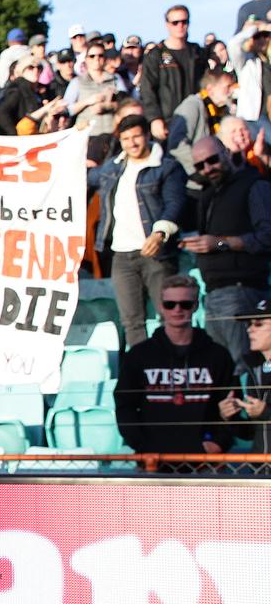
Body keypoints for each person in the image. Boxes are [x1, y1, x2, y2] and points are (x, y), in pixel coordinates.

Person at [86, 116, 187, 346]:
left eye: (136, 137)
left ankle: (170, 371)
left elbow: (176, 203)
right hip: (121, 255)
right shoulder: (112, 168)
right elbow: (83, 177)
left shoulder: (167, 167)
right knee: (131, 321)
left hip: (156, 253)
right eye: (125, 139)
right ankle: (141, 374)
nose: (131, 143)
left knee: (169, 316)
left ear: (147, 135)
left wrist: (160, 233)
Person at [115, 275, 235, 455]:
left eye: (185, 304)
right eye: (170, 304)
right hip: (153, 459)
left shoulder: (217, 355)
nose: (177, 310)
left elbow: (230, 402)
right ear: (161, 307)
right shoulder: (139, 355)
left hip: (205, 459)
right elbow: (125, 406)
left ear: (195, 306)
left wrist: (218, 443)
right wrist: (142, 446)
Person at [180, 137, 271, 364]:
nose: (207, 169)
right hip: (212, 292)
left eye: (212, 160)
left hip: (242, 290)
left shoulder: (254, 185)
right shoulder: (209, 193)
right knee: (222, 371)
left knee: (243, 366)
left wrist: (220, 243)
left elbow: (266, 237)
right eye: (200, 165)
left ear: (227, 153)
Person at [142, 5, 207, 142]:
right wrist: (154, 119)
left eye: (184, 22)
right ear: (167, 25)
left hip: (197, 119)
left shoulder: (197, 53)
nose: (180, 26)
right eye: (175, 22)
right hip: (168, 121)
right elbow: (147, 90)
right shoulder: (155, 55)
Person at [167, 68, 237, 174]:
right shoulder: (192, 105)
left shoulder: (223, 111)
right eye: (227, 87)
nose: (231, 91)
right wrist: (201, 166)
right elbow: (176, 145)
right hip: (194, 177)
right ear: (210, 89)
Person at [224, 299, 271, 452]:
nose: (250, 330)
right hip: (259, 470)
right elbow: (251, 434)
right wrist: (230, 416)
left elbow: (265, 415)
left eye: (258, 324)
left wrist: (266, 412)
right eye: (248, 324)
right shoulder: (253, 369)